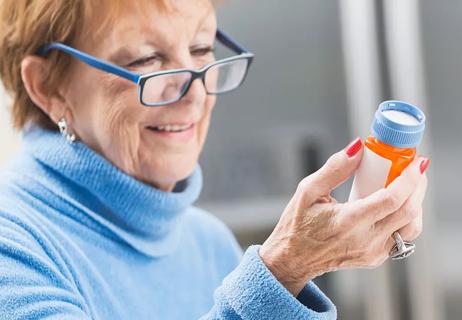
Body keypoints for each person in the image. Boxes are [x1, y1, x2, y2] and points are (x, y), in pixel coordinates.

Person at [0, 0, 429, 319]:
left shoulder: (207, 242)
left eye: (202, 49)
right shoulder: (13, 247)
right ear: (48, 87)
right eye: (148, 59)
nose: (195, 92)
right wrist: (281, 273)